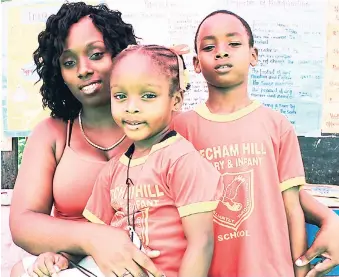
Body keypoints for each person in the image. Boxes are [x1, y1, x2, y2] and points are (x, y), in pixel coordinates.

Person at [171, 9, 332, 277]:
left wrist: (299, 270)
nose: (222, 52)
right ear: (196, 64)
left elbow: (292, 208)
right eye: (210, 47)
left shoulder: (277, 125)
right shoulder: (179, 128)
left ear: (253, 55)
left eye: (233, 44)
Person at [10, 3, 164, 277]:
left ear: (120, 55)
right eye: (69, 62)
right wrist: (92, 239)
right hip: (68, 265)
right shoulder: (53, 134)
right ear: (60, 75)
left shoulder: (158, 125)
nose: (83, 69)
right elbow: (23, 222)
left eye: (96, 54)